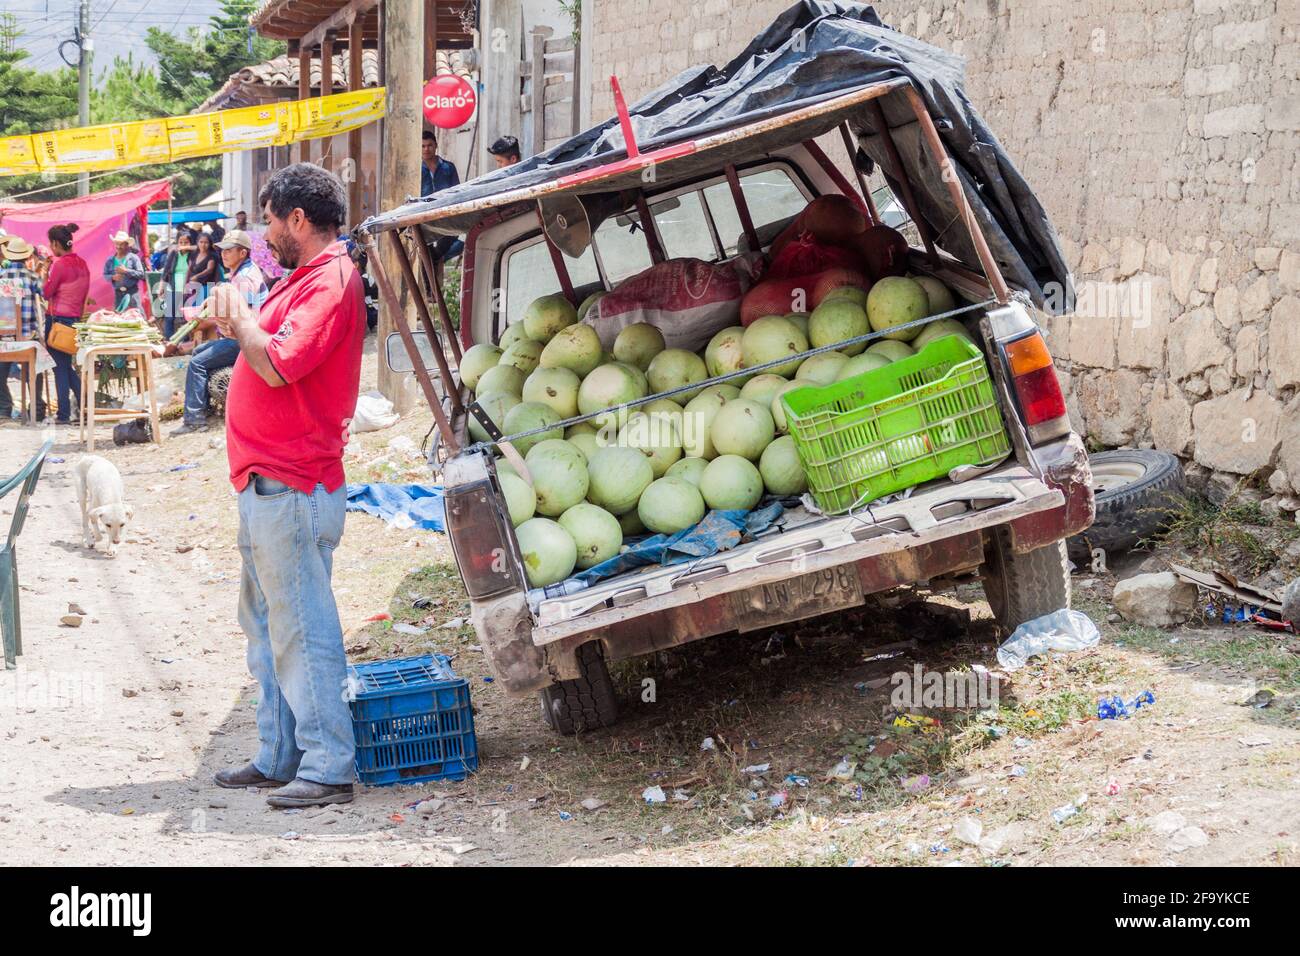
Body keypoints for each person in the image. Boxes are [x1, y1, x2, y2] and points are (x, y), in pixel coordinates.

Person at [211, 162, 364, 808]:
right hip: (266, 484)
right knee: (268, 628)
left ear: (298, 219)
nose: (265, 232)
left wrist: (242, 322)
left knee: (302, 627)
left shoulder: (330, 281)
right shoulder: (300, 281)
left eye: (271, 219)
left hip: (294, 486)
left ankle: (328, 764)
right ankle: (280, 754)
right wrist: (241, 322)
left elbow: (276, 363)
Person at [171, 230, 267, 435]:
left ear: (243, 253)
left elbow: (239, 315)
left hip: (246, 339)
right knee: (199, 353)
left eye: (229, 250)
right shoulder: (241, 273)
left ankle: (194, 419)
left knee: (197, 363)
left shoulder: (244, 278)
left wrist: (204, 321)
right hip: (243, 335)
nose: (223, 254)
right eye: (222, 250)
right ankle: (204, 409)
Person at [41, 223, 89, 425]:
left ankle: (63, 414)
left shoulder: (59, 264)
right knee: (66, 367)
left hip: (57, 320)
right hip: (73, 320)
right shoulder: (82, 263)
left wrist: (45, 272)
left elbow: (46, 292)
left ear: (54, 243)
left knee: (59, 369)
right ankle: (85, 407)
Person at [0, 237, 43, 424]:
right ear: (26, 258)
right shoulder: (32, 277)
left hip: (5, 338)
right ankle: (37, 407)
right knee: (36, 369)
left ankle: (4, 408)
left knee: (1, 371)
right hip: (28, 337)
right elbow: (44, 296)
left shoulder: (1, 277)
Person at [419, 131, 464, 265]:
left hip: (445, 214)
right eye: (423, 146)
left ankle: (439, 259)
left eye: (429, 145)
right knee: (425, 253)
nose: (426, 149)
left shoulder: (447, 167)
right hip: (423, 216)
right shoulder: (416, 169)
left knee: (457, 241)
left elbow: (457, 190)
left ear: (436, 146)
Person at [159, 231, 194, 339]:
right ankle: (169, 340)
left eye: (186, 242)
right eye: (181, 242)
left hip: (188, 290)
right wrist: (161, 286)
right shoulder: (174, 254)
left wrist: (189, 248)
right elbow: (165, 271)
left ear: (190, 243)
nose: (183, 244)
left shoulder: (193, 255)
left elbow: (201, 248)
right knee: (169, 316)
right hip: (173, 289)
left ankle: (184, 341)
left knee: (185, 317)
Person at [103, 231, 147, 312]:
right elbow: (105, 275)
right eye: (117, 243)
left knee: (138, 314)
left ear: (127, 245)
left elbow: (141, 274)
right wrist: (113, 277)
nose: (119, 246)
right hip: (118, 293)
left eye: (121, 244)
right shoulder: (110, 260)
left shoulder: (133, 258)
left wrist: (126, 271)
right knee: (118, 317)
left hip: (132, 292)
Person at [188, 232, 221, 306]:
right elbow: (189, 270)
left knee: (200, 310)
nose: (203, 245)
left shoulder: (212, 256)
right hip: (193, 287)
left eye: (206, 242)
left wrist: (197, 276)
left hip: (207, 286)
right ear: (197, 242)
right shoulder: (194, 254)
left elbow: (209, 270)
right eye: (201, 242)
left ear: (210, 244)